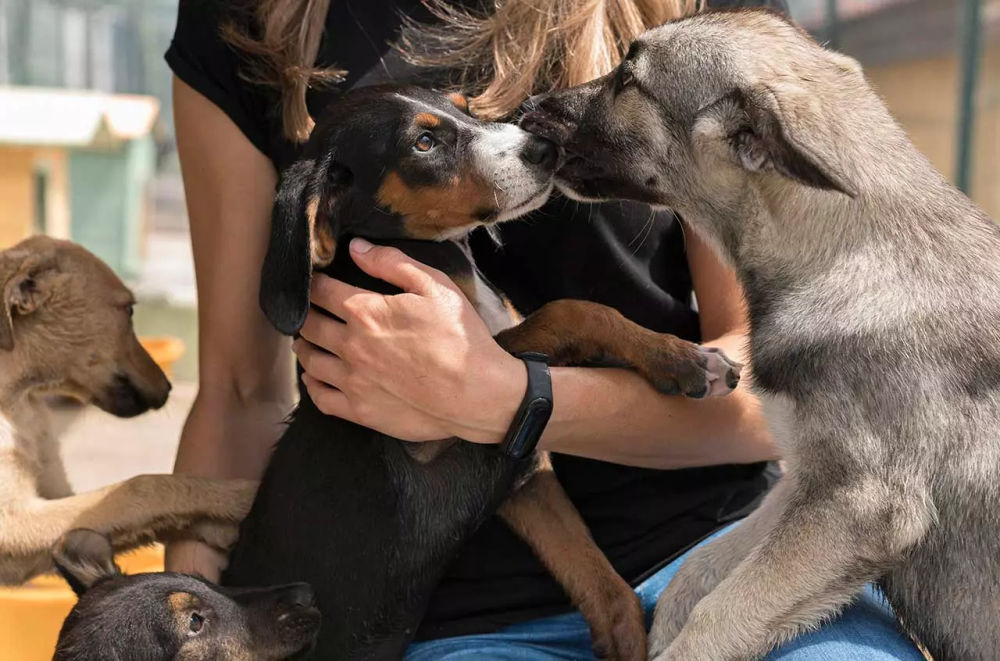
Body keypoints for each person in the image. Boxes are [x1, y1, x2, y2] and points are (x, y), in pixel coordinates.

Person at [164, 0, 924, 657]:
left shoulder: (698, 19)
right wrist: (186, 628)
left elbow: (776, 383)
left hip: (722, 560)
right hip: (457, 621)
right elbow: (238, 393)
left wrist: (509, 399)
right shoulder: (250, 21)